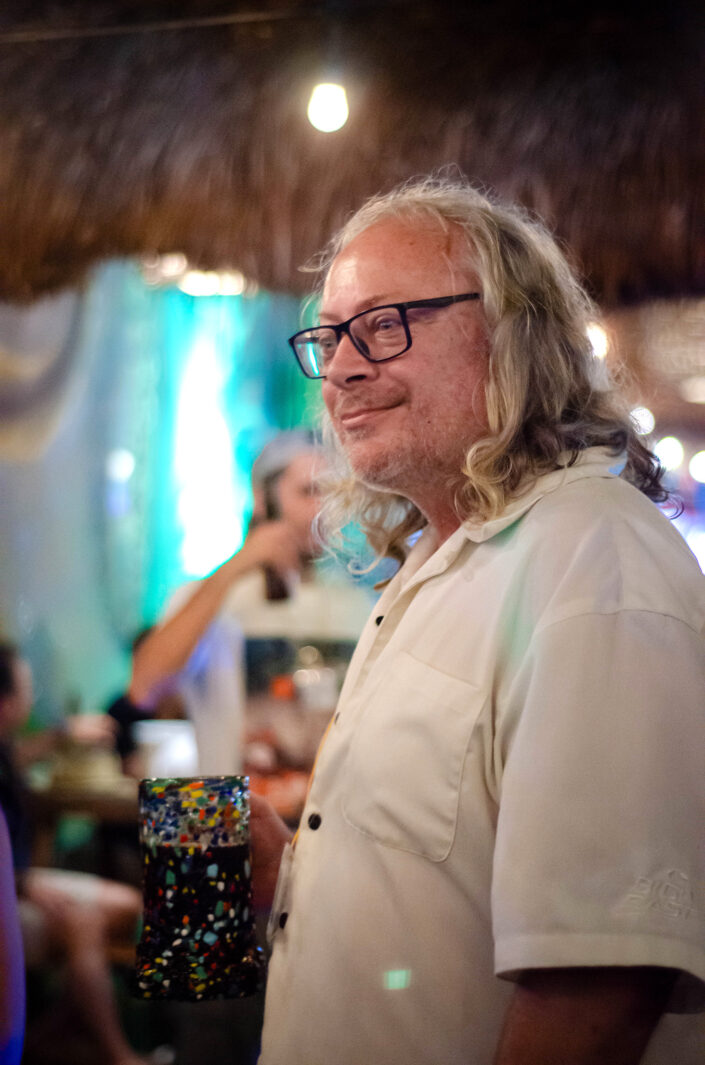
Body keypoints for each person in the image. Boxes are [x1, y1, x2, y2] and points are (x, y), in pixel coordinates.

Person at [250, 176, 705, 1065]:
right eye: (330, 336)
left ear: (512, 335)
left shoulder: (592, 562)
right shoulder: (441, 560)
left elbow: (598, 984)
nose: (342, 369)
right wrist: (297, 876)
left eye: (385, 324)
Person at [129, 430, 373, 773]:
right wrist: (237, 566)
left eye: (334, 495)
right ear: (262, 496)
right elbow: (145, 687)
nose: (323, 511)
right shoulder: (215, 597)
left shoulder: (357, 602)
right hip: (236, 800)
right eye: (308, 491)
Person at [0, 642, 151, 1065]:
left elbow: (23, 753)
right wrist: (23, 884)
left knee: (130, 907)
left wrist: (63, 733)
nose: (31, 699)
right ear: (5, 702)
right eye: (26, 689)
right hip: (14, 885)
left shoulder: (7, 752)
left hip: (21, 879)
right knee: (84, 922)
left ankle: (43, 1038)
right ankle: (118, 1055)